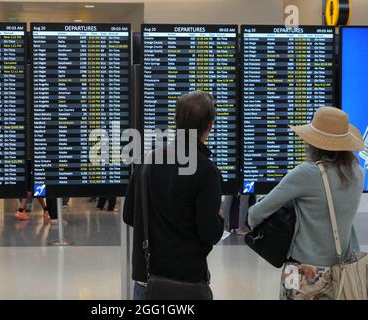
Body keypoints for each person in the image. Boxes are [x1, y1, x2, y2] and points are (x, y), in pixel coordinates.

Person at [247, 107, 365, 300]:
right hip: (342, 268)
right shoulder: (358, 173)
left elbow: (256, 214)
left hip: (301, 271)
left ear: (314, 142)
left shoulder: (307, 173)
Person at [123, 91, 224, 300]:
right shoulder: (207, 170)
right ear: (210, 126)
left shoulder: (148, 160)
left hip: (147, 280)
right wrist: (219, 219)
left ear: (176, 121)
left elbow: (129, 214)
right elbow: (209, 233)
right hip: (187, 282)